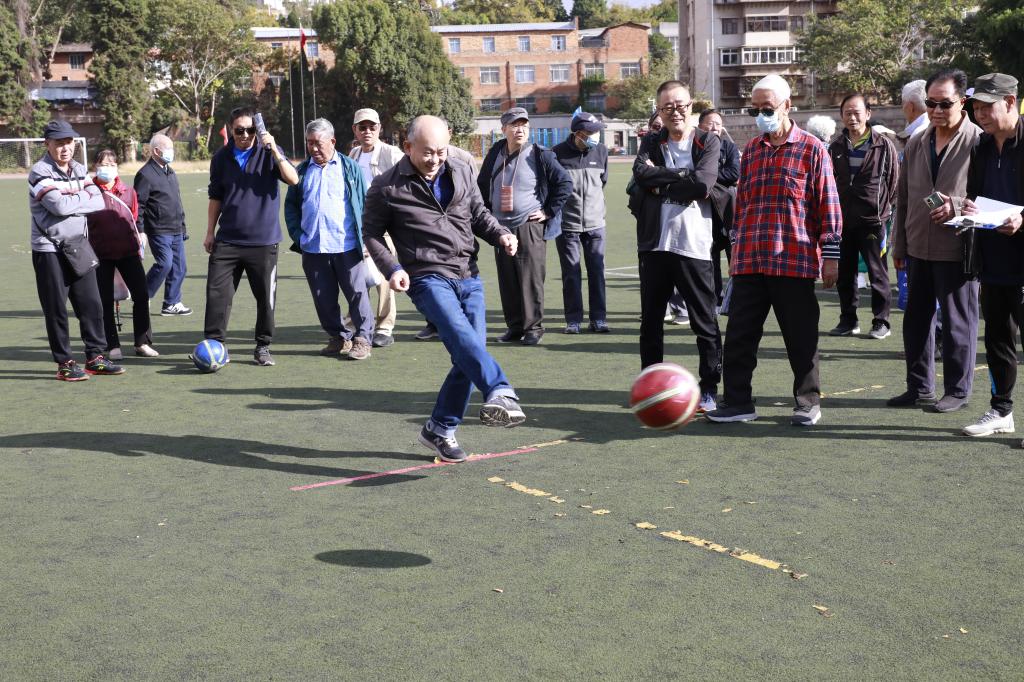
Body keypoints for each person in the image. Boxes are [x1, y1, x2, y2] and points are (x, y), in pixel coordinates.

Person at [362, 115, 524, 462]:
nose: (435, 159)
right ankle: (500, 390)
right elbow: (372, 234)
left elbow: (478, 213)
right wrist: (392, 268)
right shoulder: (386, 187)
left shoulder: (462, 170)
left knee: (470, 351)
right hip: (426, 276)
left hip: (468, 272)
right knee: (463, 339)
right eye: (427, 152)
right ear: (408, 147)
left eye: (441, 151)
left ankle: (439, 428)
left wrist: (501, 234)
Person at [705, 74, 842, 426]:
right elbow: (742, 206)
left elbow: (828, 206)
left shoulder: (812, 149)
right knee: (739, 336)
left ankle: (807, 402)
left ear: (787, 106)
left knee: (801, 338)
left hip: (793, 260)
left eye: (767, 108)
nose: (761, 116)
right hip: (750, 259)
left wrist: (831, 256)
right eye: (755, 110)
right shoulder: (751, 150)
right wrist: (736, 249)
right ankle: (738, 402)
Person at [888, 69, 982, 413]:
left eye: (945, 103)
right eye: (931, 103)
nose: (937, 110)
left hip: (958, 246)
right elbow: (904, 198)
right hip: (917, 246)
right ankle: (919, 387)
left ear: (963, 102)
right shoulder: (917, 141)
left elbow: (988, 196)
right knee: (916, 321)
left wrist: (956, 205)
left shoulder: (979, 141)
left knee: (959, 322)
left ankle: (957, 390)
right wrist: (899, 245)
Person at [631, 81, 723, 413]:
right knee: (651, 323)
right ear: (659, 110)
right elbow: (640, 174)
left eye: (680, 105)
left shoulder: (707, 140)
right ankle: (650, 386)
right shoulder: (652, 141)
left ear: (691, 106)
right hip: (655, 245)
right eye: (667, 107)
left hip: (693, 246)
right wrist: (681, 176)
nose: (675, 112)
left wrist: (662, 182)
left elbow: (702, 184)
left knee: (704, 322)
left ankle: (709, 388)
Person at [204, 106, 299, 367]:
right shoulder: (221, 158)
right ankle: (215, 346)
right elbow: (216, 196)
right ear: (231, 130)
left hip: (263, 242)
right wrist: (210, 232)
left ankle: (263, 346)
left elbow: (293, 179)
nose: (245, 135)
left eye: (250, 130)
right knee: (217, 295)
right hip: (228, 240)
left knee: (265, 299)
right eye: (239, 131)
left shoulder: (268, 152)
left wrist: (275, 150)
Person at [29, 120, 124, 380]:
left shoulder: (79, 169)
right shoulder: (39, 172)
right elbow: (58, 206)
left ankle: (95, 358)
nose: (65, 148)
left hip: (79, 245)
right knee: (56, 309)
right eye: (59, 143)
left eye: (69, 142)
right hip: (49, 249)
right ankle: (65, 363)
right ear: (47, 144)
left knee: (92, 304)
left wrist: (72, 200)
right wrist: (82, 198)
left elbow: (99, 201)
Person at [959, 74, 1024, 439]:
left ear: (1010, 102)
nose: (979, 114)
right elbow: (975, 194)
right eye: (976, 107)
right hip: (993, 260)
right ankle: (1001, 410)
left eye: (987, 106)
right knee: (998, 340)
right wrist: (968, 207)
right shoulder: (981, 146)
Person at [479, 107, 572, 346]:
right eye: (514, 125)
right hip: (500, 228)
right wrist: (487, 215)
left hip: (528, 225)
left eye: (524, 125)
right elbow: (482, 184)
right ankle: (515, 327)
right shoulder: (495, 152)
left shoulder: (540, 154)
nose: (520, 130)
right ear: (504, 129)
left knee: (530, 278)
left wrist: (548, 211)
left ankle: (533, 328)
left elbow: (564, 183)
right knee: (507, 279)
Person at [285, 118, 375, 361]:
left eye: (318, 143)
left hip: (347, 246)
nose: (313, 148)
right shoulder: (301, 171)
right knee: (323, 299)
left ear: (332, 141)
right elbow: (291, 207)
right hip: (313, 247)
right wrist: (299, 237)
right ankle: (339, 337)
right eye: (309, 143)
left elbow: (366, 205)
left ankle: (363, 339)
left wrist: (366, 239)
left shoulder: (350, 168)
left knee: (357, 295)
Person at [827, 93, 900, 340]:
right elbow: (830, 182)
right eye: (847, 113)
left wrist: (881, 210)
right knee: (845, 274)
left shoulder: (883, 145)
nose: (852, 117)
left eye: (857, 112)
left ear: (868, 113)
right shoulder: (836, 147)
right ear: (841, 116)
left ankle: (881, 322)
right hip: (843, 221)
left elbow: (894, 182)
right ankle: (848, 320)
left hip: (872, 221)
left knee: (877, 274)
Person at [88, 150, 158, 360]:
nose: (107, 168)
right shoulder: (88, 191)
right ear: (95, 166)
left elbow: (135, 218)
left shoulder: (129, 191)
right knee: (104, 301)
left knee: (142, 295)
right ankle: (112, 345)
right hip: (100, 255)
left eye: (111, 164)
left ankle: (142, 342)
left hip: (128, 252)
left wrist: (141, 237)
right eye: (103, 164)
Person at [348, 108, 405, 348]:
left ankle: (384, 326)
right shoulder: (353, 153)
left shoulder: (392, 154)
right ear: (355, 130)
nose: (367, 131)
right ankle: (356, 322)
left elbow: (408, 180)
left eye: (372, 127)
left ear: (379, 128)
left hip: (384, 225)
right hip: (358, 224)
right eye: (362, 127)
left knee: (384, 274)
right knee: (355, 274)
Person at [552, 111, 610, 334]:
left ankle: (599, 319)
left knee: (597, 271)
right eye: (591, 132)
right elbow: (553, 187)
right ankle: (573, 320)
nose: (596, 136)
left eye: (597, 132)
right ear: (578, 134)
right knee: (571, 273)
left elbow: (602, 182)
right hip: (567, 226)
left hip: (596, 224)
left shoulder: (601, 151)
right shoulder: (557, 153)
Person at [135, 133, 191, 316]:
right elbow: (138, 205)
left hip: (176, 228)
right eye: (168, 148)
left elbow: (177, 200)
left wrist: (182, 225)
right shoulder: (145, 174)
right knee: (165, 264)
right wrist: (140, 230)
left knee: (180, 267)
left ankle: (171, 303)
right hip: (158, 229)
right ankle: (142, 296)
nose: (172, 151)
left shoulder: (170, 171)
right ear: (157, 151)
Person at [697, 108, 740, 308]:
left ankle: (736, 298)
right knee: (710, 256)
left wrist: (708, 176)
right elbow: (693, 175)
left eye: (718, 124)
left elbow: (734, 173)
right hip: (705, 211)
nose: (714, 127)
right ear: (700, 126)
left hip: (729, 210)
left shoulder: (729, 147)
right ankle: (715, 298)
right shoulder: (695, 147)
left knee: (734, 253)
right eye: (710, 123)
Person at [897, 80, 930, 149]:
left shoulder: (918, 134)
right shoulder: (934, 125)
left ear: (910, 107)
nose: (902, 108)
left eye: (903, 103)